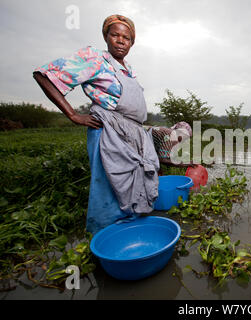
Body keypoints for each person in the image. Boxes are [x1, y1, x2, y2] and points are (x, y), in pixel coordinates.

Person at [33, 14, 161, 235]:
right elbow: (44, 76)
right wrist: (73, 115)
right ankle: (105, 237)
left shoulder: (128, 69)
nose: (121, 41)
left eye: (127, 37)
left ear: (132, 42)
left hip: (132, 132)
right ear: (106, 37)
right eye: (115, 35)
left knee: (134, 182)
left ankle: (131, 233)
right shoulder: (94, 59)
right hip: (108, 132)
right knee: (108, 187)